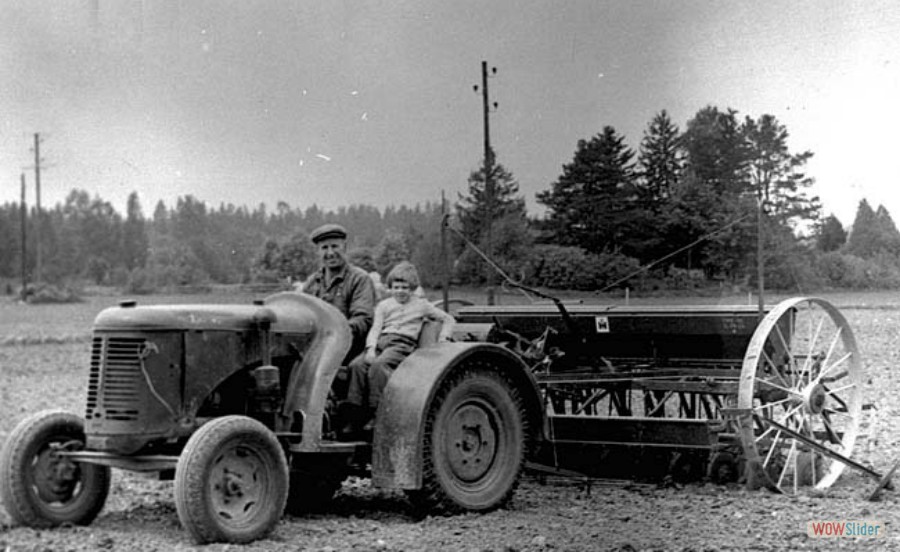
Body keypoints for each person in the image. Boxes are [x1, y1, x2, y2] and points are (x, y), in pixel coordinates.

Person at [341, 261, 455, 437]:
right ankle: (354, 415)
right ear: (390, 288)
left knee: (379, 366)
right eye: (396, 287)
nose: (400, 291)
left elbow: (448, 319)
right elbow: (375, 329)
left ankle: (377, 413)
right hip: (381, 342)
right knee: (356, 365)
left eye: (405, 287)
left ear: (412, 289)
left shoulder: (421, 305)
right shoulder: (384, 306)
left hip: (402, 344)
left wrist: (444, 338)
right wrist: (370, 348)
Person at [302, 223, 376, 363]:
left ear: (345, 247)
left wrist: (334, 331)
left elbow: (363, 320)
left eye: (335, 246)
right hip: (315, 349)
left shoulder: (359, 279)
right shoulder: (312, 282)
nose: (330, 253)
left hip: (348, 351)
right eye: (324, 248)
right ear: (318, 252)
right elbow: (302, 313)